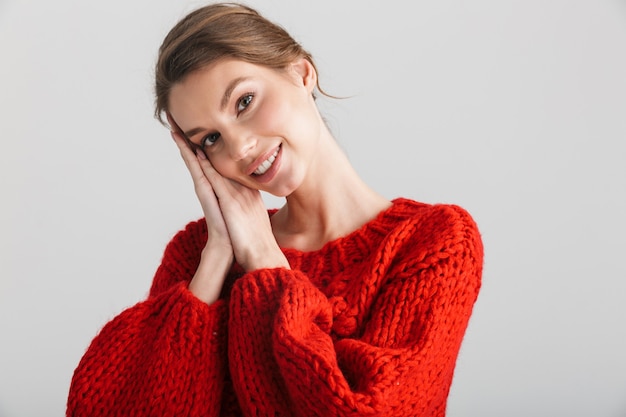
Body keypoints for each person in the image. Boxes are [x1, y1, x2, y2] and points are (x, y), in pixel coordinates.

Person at [66, 3, 483, 416]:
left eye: (244, 102)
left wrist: (265, 263)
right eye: (210, 139)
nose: (240, 148)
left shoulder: (434, 239)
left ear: (302, 73)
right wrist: (215, 261)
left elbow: (372, 409)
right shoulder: (198, 254)